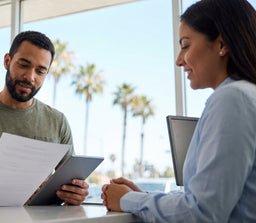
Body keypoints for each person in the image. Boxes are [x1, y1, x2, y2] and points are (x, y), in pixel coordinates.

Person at [102, 0, 256, 222]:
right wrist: (143, 198)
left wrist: (128, 200)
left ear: (222, 44)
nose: (178, 60)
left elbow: (202, 213)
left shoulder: (232, 98)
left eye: (185, 45)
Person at [0, 31, 89, 205]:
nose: (30, 77)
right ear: (7, 61)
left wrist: (76, 193)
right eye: (24, 65)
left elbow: (68, 186)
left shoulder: (58, 122)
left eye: (40, 71)